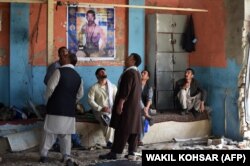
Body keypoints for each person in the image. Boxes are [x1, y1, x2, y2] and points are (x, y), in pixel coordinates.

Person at [40, 53, 84, 164]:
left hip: (55, 107)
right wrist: (71, 101)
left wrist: (48, 99)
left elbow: (50, 87)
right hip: (69, 110)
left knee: (49, 133)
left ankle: (44, 155)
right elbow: (80, 94)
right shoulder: (78, 77)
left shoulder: (59, 71)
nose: (61, 57)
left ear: (69, 60)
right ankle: (66, 156)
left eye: (65, 56)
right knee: (66, 135)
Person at [99, 53, 142, 160]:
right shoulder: (137, 73)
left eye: (129, 57)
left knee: (122, 129)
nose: (126, 59)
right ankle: (132, 153)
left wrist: (120, 103)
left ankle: (116, 152)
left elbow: (125, 90)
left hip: (127, 107)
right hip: (135, 106)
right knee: (133, 129)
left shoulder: (129, 73)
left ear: (133, 60)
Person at [88, 67, 117, 148]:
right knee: (106, 119)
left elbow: (117, 100)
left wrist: (113, 110)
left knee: (116, 119)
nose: (103, 73)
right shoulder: (94, 87)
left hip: (111, 111)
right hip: (99, 111)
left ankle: (114, 142)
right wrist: (101, 108)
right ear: (97, 76)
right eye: (101, 72)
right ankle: (110, 142)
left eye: (104, 72)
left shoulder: (113, 87)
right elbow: (90, 101)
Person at [138, 69, 156, 146]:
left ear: (148, 77)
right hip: (135, 107)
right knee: (137, 98)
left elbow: (149, 99)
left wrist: (146, 108)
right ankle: (147, 115)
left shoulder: (149, 88)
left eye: (144, 73)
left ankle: (139, 140)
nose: (142, 73)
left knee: (142, 118)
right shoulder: (136, 85)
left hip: (144, 109)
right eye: (141, 72)